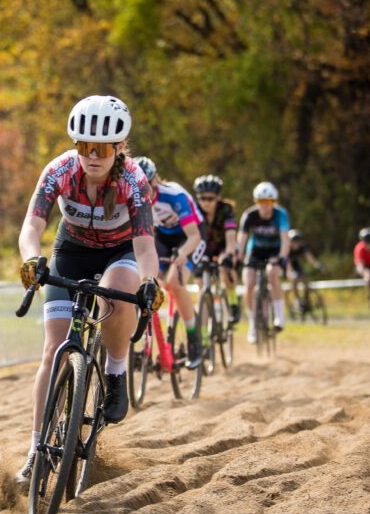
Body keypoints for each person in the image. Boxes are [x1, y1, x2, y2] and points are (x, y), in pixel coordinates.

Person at [15, 95, 162, 484]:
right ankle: (34, 450)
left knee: (116, 293)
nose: (92, 156)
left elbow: (146, 245)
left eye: (101, 149)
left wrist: (149, 283)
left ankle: (116, 372)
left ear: (118, 149)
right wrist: (32, 259)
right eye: (84, 147)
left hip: (121, 250)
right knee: (53, 349)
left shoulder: (134, 181)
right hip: (71, 250)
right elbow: (31, 227)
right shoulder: (59, 170)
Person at [141, 158, 204, 366]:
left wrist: (183, 253)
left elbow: (194, 236)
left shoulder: (173, 196)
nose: (140, 192)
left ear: (154, 182)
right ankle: (145, 344)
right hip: (163, 237)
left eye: (145, 187)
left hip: (190, 236)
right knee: (143, 280)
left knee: (174, 283)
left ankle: (194, 337)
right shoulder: (134, 198)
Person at [237, 182, 290, 344]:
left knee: (273, 274)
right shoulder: (249, 215)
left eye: (268, 202)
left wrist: (281, 258)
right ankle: (253, 323)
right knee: (249, 283)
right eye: (261, 202)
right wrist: (238, 257)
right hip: (255, 251)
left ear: (274, 203)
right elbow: (242, 239)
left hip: (275, 250)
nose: (265, 206)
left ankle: (279, 316)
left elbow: (285, 240)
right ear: (257, 202)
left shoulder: (281, 215)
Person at [193, 174, 240, 323]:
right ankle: (204, 336)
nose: (206, 202)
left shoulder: (226, 210)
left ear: (218, 198)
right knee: (201, 287)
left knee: (225, 268)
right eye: (202, 198)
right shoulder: (194, 210)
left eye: (210, 198)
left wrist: (229, 255)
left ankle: (233, 303)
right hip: (202, 248)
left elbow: (231, 236)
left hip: (223, 247)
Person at [286, 229, 324, 314]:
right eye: (294, 241)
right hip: (286, 264)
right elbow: (287, 263)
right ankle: (297, 300)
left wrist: (317, 265)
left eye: (298, 241)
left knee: (305, 277)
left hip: (296, 264)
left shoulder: (302, 247)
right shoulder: (287, 248)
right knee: (293, 279)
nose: (296, 243)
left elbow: (309, 257)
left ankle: (306, 299)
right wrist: (290, 273)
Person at [354, 227, 370, 312]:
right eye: (366, 240)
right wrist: (365, 273)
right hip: (364, 266)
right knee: (368, 276)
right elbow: (360, 264)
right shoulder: (360, 248)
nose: (369, 242)